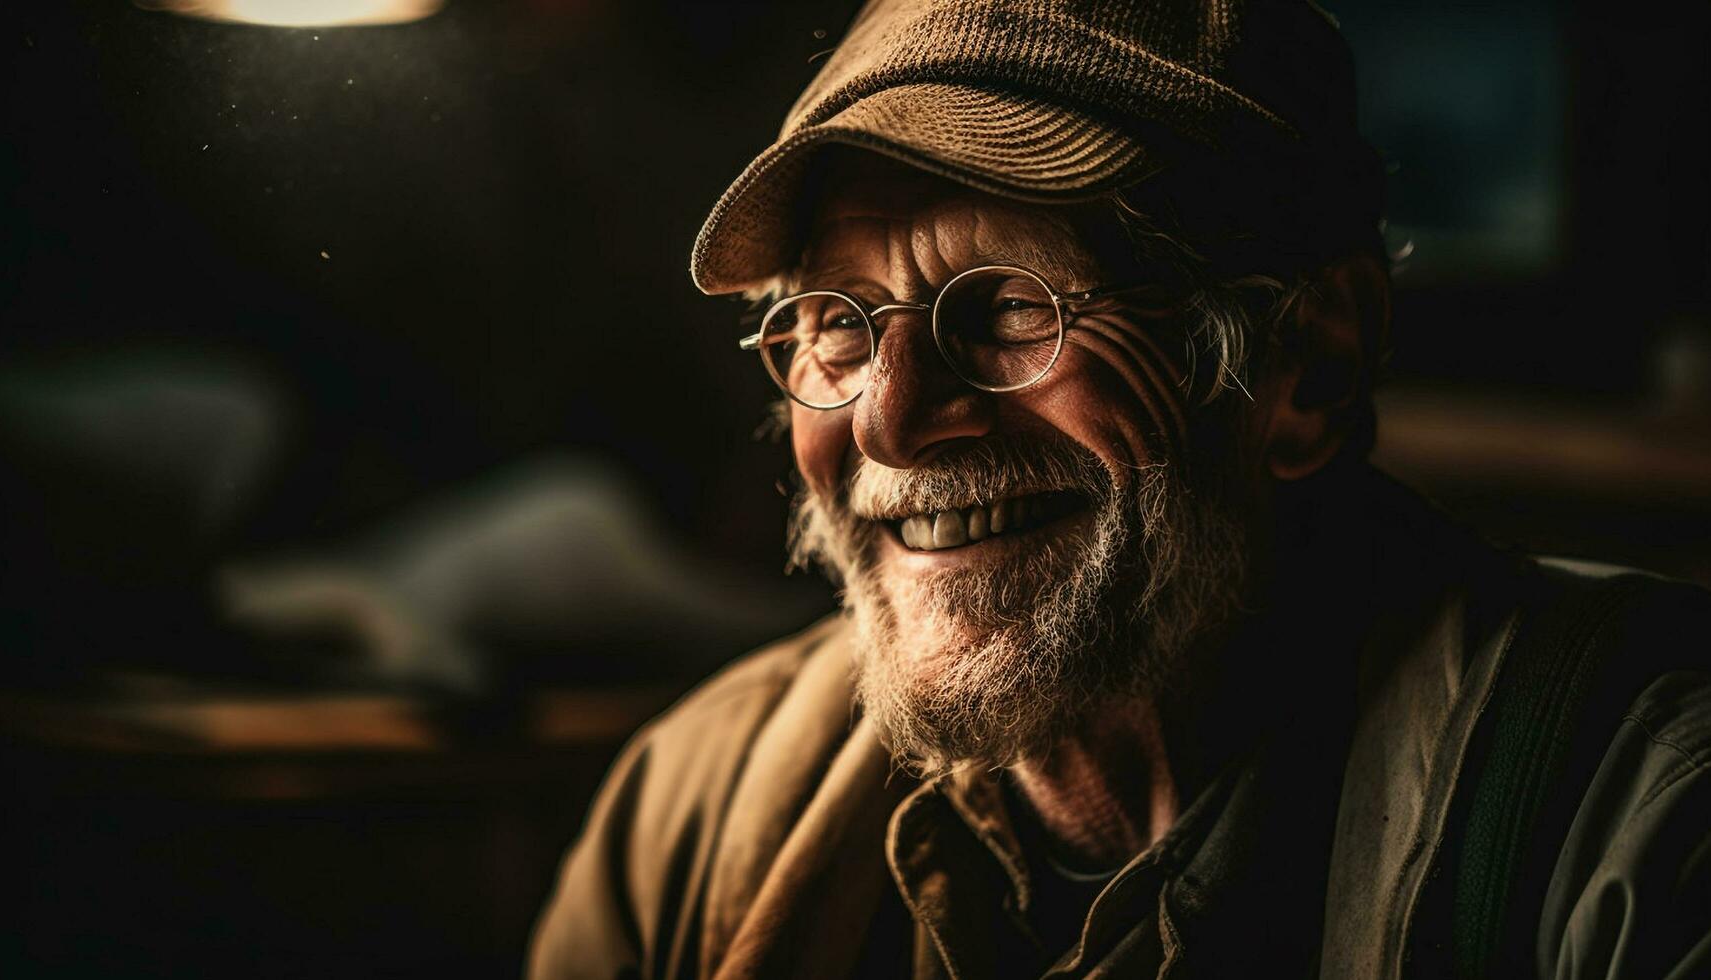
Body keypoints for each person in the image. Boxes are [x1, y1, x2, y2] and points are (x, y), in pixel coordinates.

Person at [529, 1, 1711, 977]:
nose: (887, 416)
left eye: (1003, 306)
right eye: (835, 325)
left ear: (1308, 361)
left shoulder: (1639, 821)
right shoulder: (688, 815)